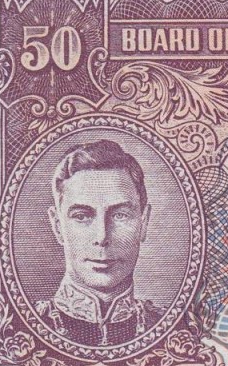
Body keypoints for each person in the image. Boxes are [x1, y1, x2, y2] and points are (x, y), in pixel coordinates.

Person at [36, 139, 162, 347]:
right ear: (58, 226)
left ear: (144, 222)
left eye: (120, 215)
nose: (102, 237)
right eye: (82, 216)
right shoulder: (21, 326)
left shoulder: (172, 327)